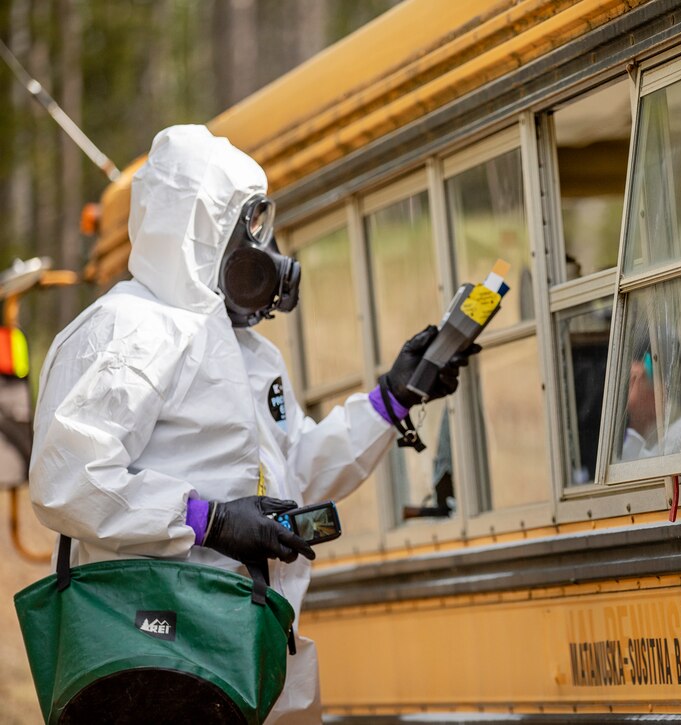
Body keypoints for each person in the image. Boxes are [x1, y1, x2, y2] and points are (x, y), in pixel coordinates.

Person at [28, 125, 478, 723]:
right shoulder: (127, 331)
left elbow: (291, 476)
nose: (263, 251)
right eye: (248, 229)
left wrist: (393, 400)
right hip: (157, 657)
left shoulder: (250, 354)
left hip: (251, 650)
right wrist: (206, 520)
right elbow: (69, 481)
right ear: (200, 229)